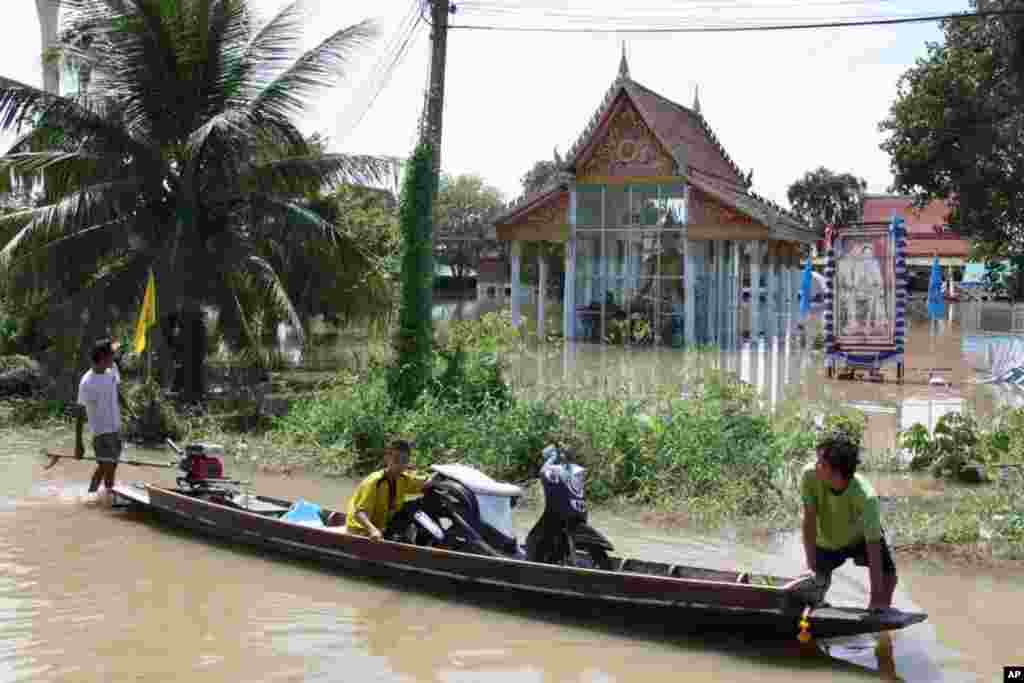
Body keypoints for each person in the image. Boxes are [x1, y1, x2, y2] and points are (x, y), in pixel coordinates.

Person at [801, 431, 898, 610]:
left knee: (888, 577)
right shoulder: (810, 476)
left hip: (859, 540)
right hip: (827, 542)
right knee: (813, 588)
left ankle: (882, 620)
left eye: (821, 463)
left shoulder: (866, 497)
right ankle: (817, 602)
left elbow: (873, 546)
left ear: (837, 471)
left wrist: (876, 598)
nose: (816, 465)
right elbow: (809, 522)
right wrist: (810, 563)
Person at [344, 440, 432, 540]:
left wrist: (434, 480)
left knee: (413, 506)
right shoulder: (374, 482)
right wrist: (373, 530)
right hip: (361, 531)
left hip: (383, 528)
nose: (400, 465)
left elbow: (424, 483)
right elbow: (360, 513)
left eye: (404, 461)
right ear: (387, 459)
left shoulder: (403, 479)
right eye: (396, 460)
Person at [75, 338, 126, 496]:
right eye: (112, 355)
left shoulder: (113, 370)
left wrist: (131, 412)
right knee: (105, 467)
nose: (115, 357)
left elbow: (117, 392)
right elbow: (80, 413)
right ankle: (94, 497)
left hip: (116, 428)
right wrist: (79, 443)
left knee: (111, 467)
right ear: (103, 358)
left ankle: (102, 497)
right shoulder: (87, 383)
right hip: (101, 433)